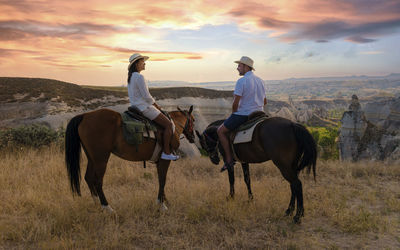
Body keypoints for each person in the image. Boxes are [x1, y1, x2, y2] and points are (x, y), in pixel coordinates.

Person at [217, 56, 267, 172]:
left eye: (239, 65)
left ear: (246, 67)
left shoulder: (242, 81)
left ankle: (229, 160)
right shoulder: (261, 81)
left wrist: (233, 115)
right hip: (260, 113)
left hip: (244, 114)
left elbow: (235, 103)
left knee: (220, 131)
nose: (237, 68)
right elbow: (264, 101)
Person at [127, 53, 179, 161]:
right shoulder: (140, 77)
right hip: (144, 107)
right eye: (142, 61)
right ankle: (166, 152)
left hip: (134, 107)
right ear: (137, 64)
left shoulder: (131, 77)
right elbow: (147, 96)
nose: (144, 63)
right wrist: (157, 106)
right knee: (169, 125)